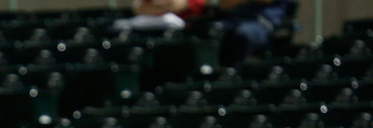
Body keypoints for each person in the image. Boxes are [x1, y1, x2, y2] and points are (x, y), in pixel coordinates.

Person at [122, 0, 297, 66]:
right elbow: (224, 4)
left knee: (243, 34)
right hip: (230, 21)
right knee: (204, 31)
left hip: (262, 24)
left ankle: (231, 72)